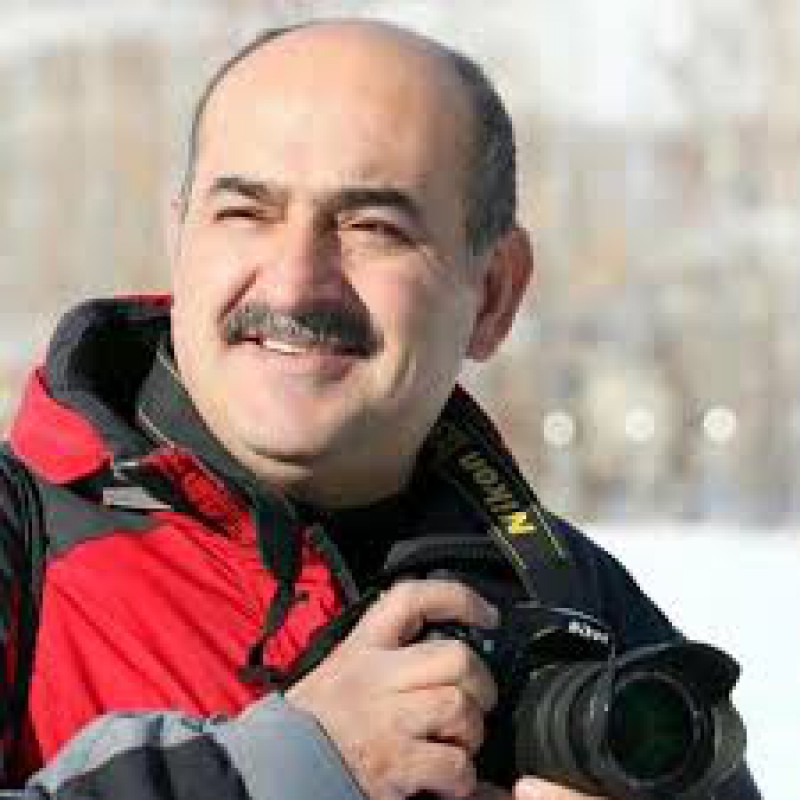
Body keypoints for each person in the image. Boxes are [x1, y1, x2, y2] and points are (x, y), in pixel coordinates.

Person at [0, 18, 759, 800]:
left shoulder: (572, 603)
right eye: (246, 213)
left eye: (372, 228)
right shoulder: (23, 539)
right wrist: (295, 765)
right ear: (180, 239)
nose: (294, 284)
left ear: (493, 294)